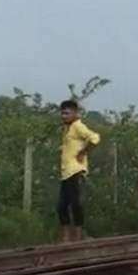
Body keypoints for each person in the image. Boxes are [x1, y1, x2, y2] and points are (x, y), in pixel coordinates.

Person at [58, 99, 100, 243]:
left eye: (67, 113)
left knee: (76, 205)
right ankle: (66, 237)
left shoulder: (78, 126)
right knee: (62, 206)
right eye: (62, 113)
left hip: (75, 171)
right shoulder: (68, 129)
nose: (64, 116)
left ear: (75, 113)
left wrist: (83, 151)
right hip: (65, 173)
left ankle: (77, 236)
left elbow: (94, 138)